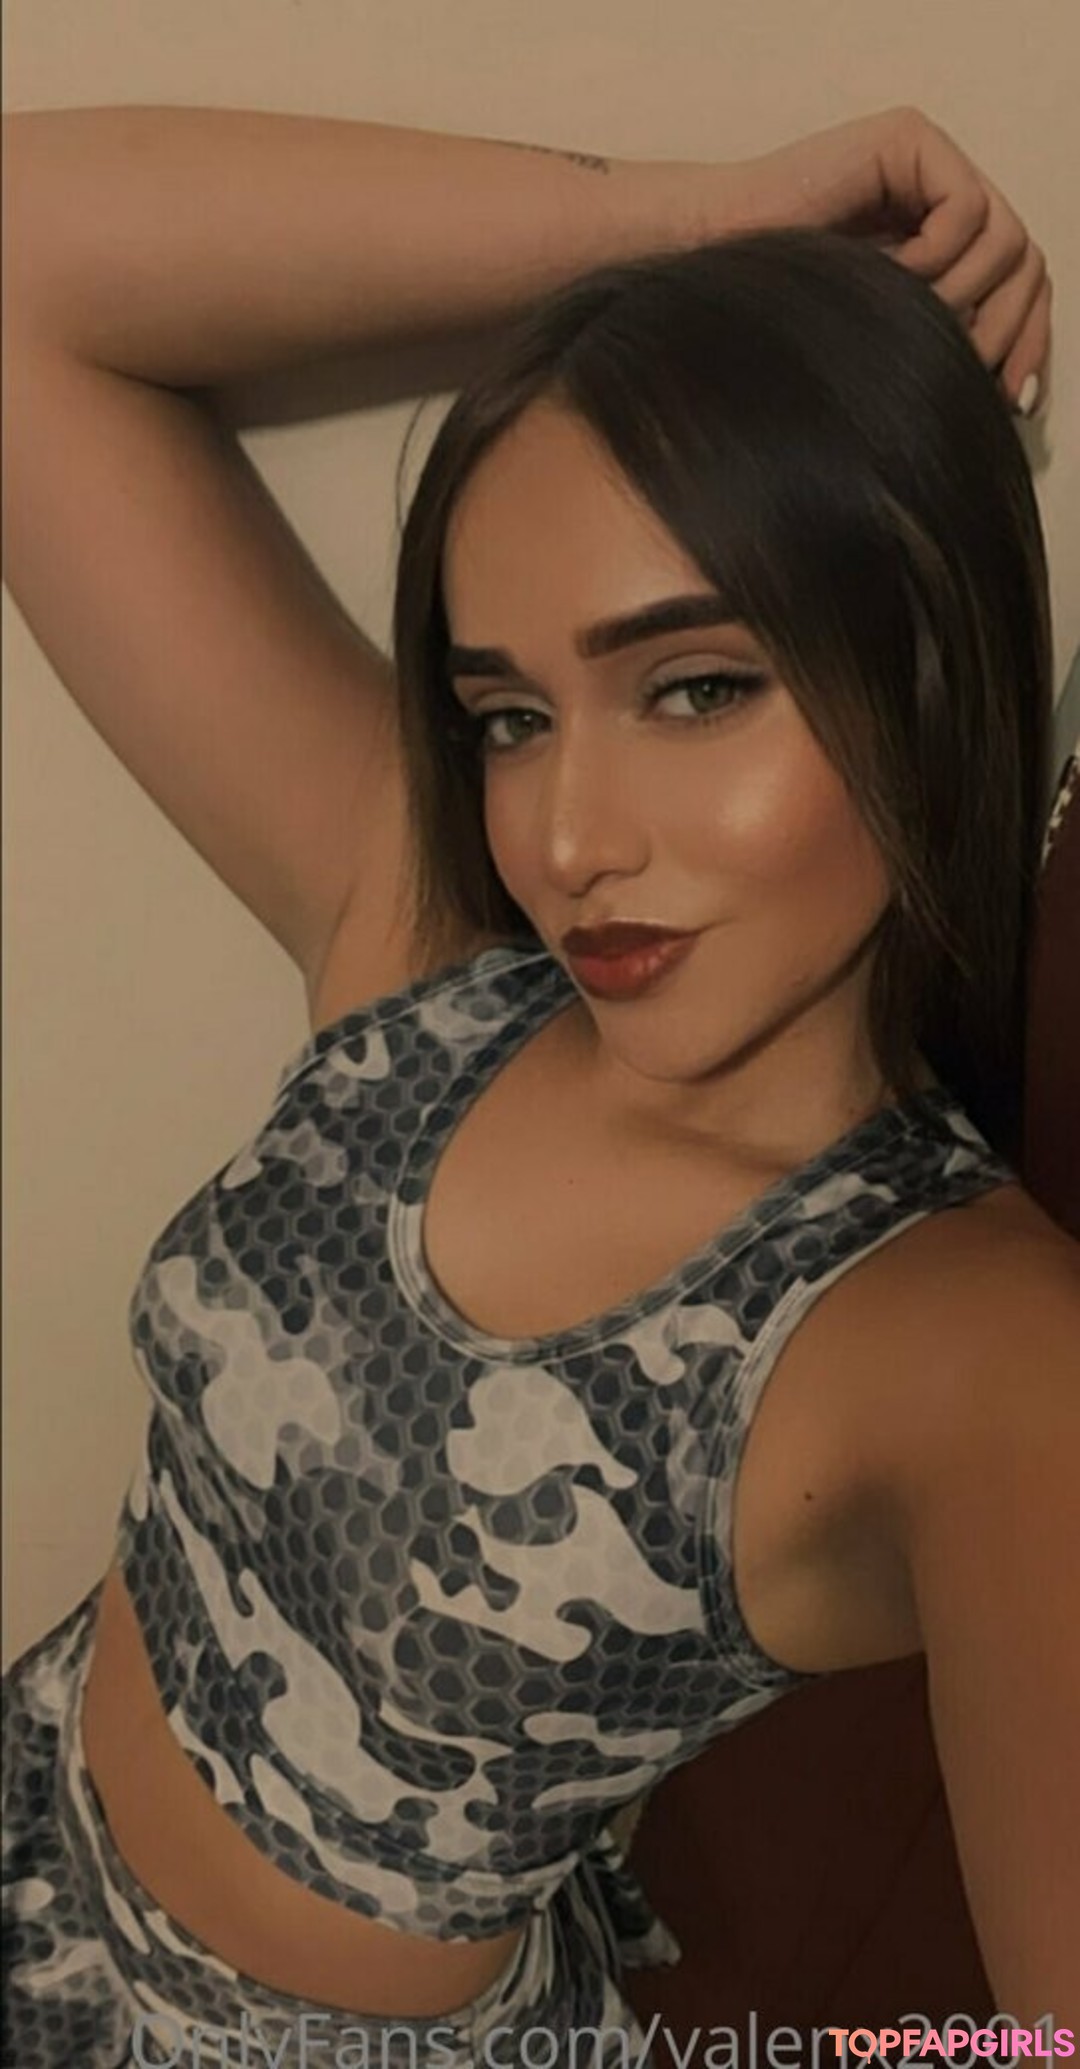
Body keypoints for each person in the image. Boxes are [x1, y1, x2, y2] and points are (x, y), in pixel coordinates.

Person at [2, 98, 1076, 2068]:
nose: (568, 837)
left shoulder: (971, 1344)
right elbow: (21, 254)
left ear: (928, 673)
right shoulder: (438, 969)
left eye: (696, 686)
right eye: (509, 713)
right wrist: (700, 220)